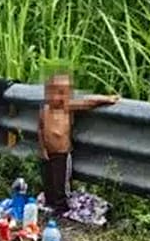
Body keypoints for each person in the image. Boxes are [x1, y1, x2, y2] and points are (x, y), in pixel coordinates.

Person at [40, 73, 118, 215]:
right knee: (48, 179)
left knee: (61, 182)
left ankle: (61, 206)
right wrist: (42, 148)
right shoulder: (45, 109)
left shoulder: (67, 107)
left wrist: (107, 99)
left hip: (62, 153)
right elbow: (41, 129)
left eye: (64, 93)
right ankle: (50, 201)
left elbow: (89, 102)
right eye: (55, 92)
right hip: (48, 152)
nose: (59, 97)